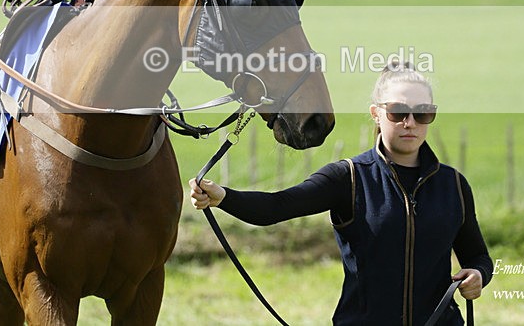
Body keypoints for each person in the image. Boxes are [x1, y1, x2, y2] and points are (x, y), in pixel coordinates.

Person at [189, 61, 493, 325]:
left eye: (422, 113)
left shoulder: (453, 185)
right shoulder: (347, 178)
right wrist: (224, 197)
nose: (410, 122)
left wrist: (478, 275)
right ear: (376, 113)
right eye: (398, 111)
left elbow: (478, 256)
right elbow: (277, 207)